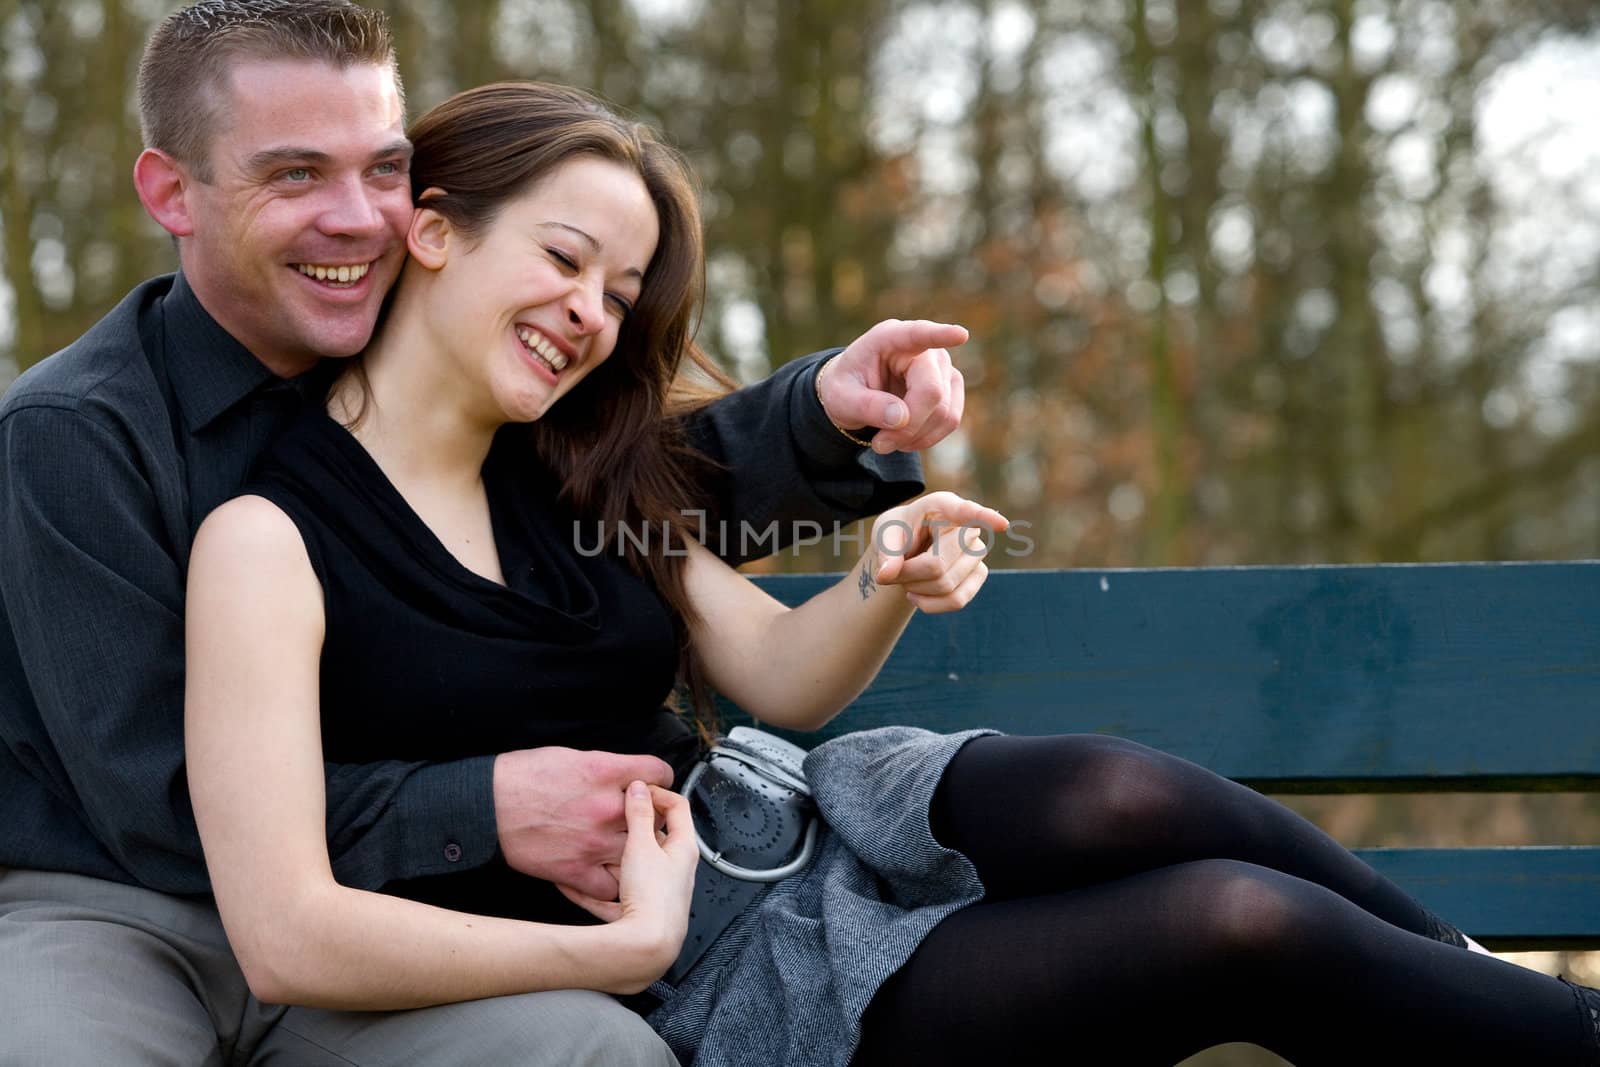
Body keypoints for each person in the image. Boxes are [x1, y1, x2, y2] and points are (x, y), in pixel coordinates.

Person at [182, 78, 1600, 1067]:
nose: (590, 318)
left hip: (805, 826)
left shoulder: (574, 467)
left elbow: (773, 672)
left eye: (620, 293)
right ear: (432, 228)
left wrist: (882, 574)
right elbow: (288, 934)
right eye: (564, 259)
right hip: (710, 978)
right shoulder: (266, 540)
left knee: (1127, 786)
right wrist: (615, 954)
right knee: (1236, 923)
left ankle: (1477, 980)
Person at [0, 2, 969, 1064]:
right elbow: (161, 803)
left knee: (599, 1049)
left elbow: (613, 501)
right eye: (294, 176)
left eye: (381, 169)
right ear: (170, 192)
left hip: (379, 926)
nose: (357, 218)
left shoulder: (411, 353)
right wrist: (484, 802)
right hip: (120, 912)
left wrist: (822, 412)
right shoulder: (73, 437)